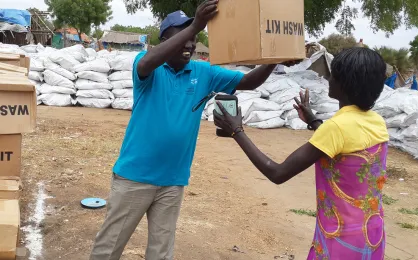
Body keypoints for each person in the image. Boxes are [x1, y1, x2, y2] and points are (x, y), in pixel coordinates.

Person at [89, 1, 299, 259]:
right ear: (164, 40)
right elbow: (146, 64)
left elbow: (248, 82)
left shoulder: (203, 72)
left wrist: (273, 61)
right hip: (134, 177)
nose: (190, 44)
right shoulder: (148, 67)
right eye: (183, 36)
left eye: (194, 37)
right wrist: (196, 25)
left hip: (173, 180)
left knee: (161, 251)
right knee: (108, 248)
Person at [214, 47, 389, 260]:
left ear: (344, 83)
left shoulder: (335, 128)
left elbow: (277, 173)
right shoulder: (377, 122)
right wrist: (314, 121)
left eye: (332, 75)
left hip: (339, 240)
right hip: (372, 234)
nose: (328, 80)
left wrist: (236, 130)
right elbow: (345, 148)